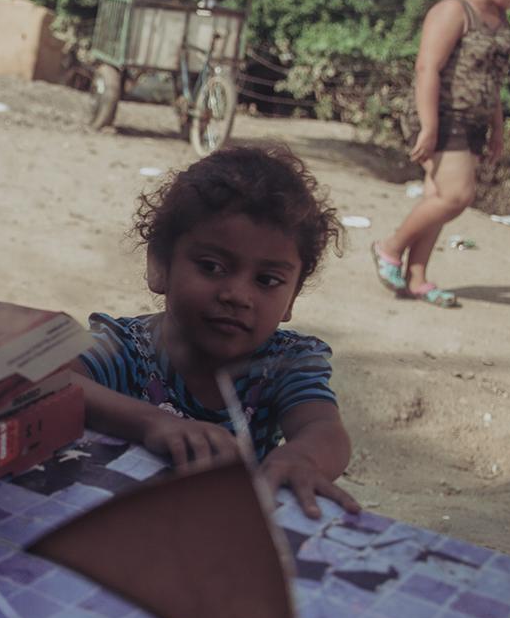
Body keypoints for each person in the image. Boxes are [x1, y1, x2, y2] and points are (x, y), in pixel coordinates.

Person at [68, 145, 361, 519]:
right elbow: (49, 380)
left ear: (292, 299)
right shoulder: (126, 348)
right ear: (159, 266)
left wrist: (303, 458)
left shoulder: (285, 362)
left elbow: (323, 427)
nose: (237, 295)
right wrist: (150, 422)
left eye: (267, 280)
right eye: (212, 266)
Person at [372, 0, 510, 308]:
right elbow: (427, 68)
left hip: (474, 121)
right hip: (442, 117)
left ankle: (417, 277)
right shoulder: (452, 10)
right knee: (456, 196)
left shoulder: (498, 18)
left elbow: (493, 80)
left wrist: (498, 128)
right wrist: (429, 127)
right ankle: (389, 248)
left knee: (437, 197)